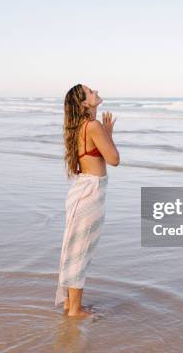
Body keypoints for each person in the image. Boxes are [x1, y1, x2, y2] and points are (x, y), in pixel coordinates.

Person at [55, 84, 120, 317]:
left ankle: (69, 304)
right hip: (91, 192)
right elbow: (113, 159)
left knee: (74, 250)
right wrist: (108, 133)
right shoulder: (93, 126)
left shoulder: (78, 127)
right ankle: (75, 310)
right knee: (80, 251)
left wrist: (105, 133)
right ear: (84, 103)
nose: (96, 91)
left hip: (82, 190)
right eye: (91, 91)